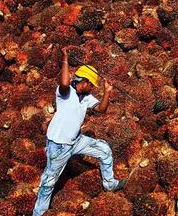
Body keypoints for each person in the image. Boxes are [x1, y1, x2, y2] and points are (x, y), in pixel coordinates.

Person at [32, 47, 127, 216]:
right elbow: (64, 83)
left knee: (104, 149)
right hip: (58, 146)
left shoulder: (87, 97)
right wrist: (65, 59)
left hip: (76, 141)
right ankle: (38, 213)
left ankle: (110, 183)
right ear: (84, 82)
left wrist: (107, 92)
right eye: (92, 85)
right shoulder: (65, 93)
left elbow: (102, 109)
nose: (92, 88)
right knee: (48, 182)